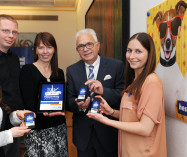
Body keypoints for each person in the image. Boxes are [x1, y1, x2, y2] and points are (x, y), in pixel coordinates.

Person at [87, 32, 167, 157]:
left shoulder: (152, 83)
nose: (132, 56)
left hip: (143, 153)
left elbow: (145, 128)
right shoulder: (135, 81)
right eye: (129, 51)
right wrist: (111, 112)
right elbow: (134, 115)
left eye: (138, 51)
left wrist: (107, 121)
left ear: (149, 54)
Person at [66, 28, 125, 157]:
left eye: (89, 44)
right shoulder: (71, 70)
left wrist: (104, 91)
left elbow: (122, 96)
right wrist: (79, 105)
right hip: (83, 136)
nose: (85, 49)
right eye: (81, 46)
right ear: (77, 50)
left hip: (108, 133)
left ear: (98, 46)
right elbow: (69, 101)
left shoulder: (116, 66)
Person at [19, 32, 68, 157]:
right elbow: (27, 102)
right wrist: (43, 112)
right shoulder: (27, 70)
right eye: (41, 47)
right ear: (35, 50)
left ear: (54, 50)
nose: (45, 51)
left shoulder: (60, 73)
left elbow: (63, 99)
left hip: (59, 128)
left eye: (49, 47)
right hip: (37, 130)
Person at [0, 14, 24, 157]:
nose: (11, 35)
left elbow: (14, 88)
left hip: (14, 119)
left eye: (14, 32)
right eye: (6, 31)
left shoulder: (14, 57)